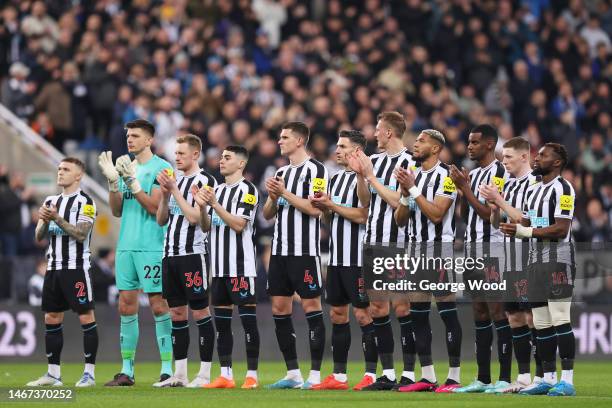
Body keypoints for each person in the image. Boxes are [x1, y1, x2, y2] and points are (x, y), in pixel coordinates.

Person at [97, 119, 174, 386]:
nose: (129, 140)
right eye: (128, 135)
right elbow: (117, 210)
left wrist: (131, 181)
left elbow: (155, 207)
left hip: (151, 244)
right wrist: (113, 184)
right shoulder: (124, 166)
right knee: (125, 305)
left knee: (158, 304)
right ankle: (127, 370)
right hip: (126, 245)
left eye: (136, 136)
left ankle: (167, 368)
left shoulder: (162, 168)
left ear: (149, 140)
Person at [500, 143, 577, 397]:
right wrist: (516, 224)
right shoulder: (534, 190)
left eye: (543, 155)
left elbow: (561, 228)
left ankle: (567, 381)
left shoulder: (564, 188)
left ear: (556, 162)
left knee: (559, 318)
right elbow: (530, 221)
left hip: (558, 261)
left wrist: (525, 230)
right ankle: (546, 377)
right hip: (534, 262)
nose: (537, 158)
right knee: (541, 323)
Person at [348, 112, 417, 391]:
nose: (374, 134)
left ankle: (411, 373)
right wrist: (360, 178)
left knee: (402, 307)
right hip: (373, 243)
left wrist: (371, 177)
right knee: (377, 308)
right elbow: (365, 203)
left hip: (399, 244)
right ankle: (387, 373)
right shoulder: (373, 161)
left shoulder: (410, 162)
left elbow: (398, 202)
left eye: (378, 130)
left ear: (389, 133)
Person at [394, 129, 462, 393]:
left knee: (447, 314)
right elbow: (400, 220)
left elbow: (436, 215)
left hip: (439, 253)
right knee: (418, 317)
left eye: (421, 141)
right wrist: (404, 194)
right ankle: (428, 377)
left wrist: (411, 188)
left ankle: (454, 377)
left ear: (435, 149)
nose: (415, 143)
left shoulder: (446, 177)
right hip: (414, 254)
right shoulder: (413, 176)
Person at [309, 130, 377, 390]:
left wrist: (332, 206)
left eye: (342, 146)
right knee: (338, 313)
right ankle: (339, 376)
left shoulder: (369, 177)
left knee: (363, 314)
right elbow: (330, 219)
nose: (336, 150)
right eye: (337, 145)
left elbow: (363, 214)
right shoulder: (335, 179)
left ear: (357, 151)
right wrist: (324, 209)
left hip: (358, 258)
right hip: (337, 259)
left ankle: (371, 373)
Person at [263, 122, 328, 389]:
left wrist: (284, 193)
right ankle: (292, 373)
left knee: (312, 307)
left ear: (300, 140)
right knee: (280, 309)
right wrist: (271, 196)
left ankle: (314, 375)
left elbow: (316, 210)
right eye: (279, 137)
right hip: (279, 252)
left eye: (285, 137)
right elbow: (267, 215)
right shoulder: (280, 172)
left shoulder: (317, 170)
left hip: (304, 252)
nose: (280, 141)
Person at [449, 124, 512, 393]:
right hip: (473, 251)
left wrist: (465, 188)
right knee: (479, 312)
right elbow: (466, 214)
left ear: (489, 145)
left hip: (493, 251)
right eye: (468, 142)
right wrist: (463, 188)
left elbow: (489, 214)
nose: (469, 146)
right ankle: (483, 378)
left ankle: (505, 378)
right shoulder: (472, 175)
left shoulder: (499, 172)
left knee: (498, 311)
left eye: (474, 142)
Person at [26, 157, 98, 387]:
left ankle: (89, 373)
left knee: (86, 316)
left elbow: (80, 234)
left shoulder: (86, 202)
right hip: (53, 268)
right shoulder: (50, 200)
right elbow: (38, 237)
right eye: (59, 169)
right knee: (51, 317)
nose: (60, 172)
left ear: (78, 175)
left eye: (66, 169)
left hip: (76, 268)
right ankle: (53, 374)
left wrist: (56, 217)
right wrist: (44, 220)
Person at [479, 137, 542, 393]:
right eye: (502, 157)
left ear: (524, 157)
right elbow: (498, 223)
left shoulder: (536, 183)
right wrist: (495, 208)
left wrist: (500, 201)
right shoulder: (509, 184)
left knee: (532, 318)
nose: (503, 161)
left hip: (530, 261)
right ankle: (524, 377)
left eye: (507, 157)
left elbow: (528, 221)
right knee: (514, 317)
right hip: (509, 261)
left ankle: (542, 376)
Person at [154, 134, 217, 387]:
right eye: (175, 153)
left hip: (193, 255)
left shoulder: (206, 181)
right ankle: (179, 374)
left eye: (181, 153)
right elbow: (161, 220)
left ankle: (203, 374)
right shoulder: (174, 181)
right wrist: (164, 196)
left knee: (200, 311)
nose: (176, 157)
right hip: (170, 255)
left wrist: (175, 191)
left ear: (195, 155)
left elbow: (195, 218)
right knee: (176, 312)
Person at [196, 145, 261, 389]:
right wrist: (202, 206)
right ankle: (226, 375)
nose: (221, 161)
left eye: (227, 157)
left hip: (241, 268)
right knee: (221, 324)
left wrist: (214, 204)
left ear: (241, 164)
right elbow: (205, 227)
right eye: (221, 157)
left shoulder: (249, 191)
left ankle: (252, 375)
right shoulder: (217, 190)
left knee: (247, 322)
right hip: (219, 268)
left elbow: (239, 225)